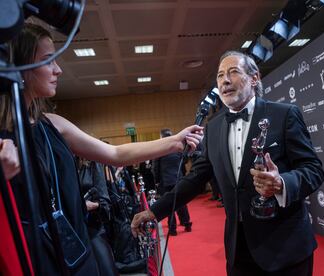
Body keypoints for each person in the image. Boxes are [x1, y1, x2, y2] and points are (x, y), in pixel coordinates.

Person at [0, 23, 203, 275]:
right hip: (30, 259)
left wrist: (175, 141)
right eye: (48, 61)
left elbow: (115, 154)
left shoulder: (52, 123)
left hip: (75, 249)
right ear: (19, 68)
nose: (58, 70)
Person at [131, 50, 324, 276]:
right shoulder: (213, 127)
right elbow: (195, 179)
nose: (225, 80)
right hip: (238, 250)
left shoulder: (284, 115)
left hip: (286, 248)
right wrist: (155, 211)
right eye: (220, 75)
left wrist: (282, 183)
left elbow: (314, 169)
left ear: (254, 79)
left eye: (233, 72)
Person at [153, 128, 192, 235]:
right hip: (178, 179)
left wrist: (156, 181)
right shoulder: (177, 147)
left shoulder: (160, 149)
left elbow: (155, 168)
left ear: (162, 137)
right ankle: (187, 223)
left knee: (169, 205)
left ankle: (172, 229)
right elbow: (184, 161)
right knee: (181, 202)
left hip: (166, 181)